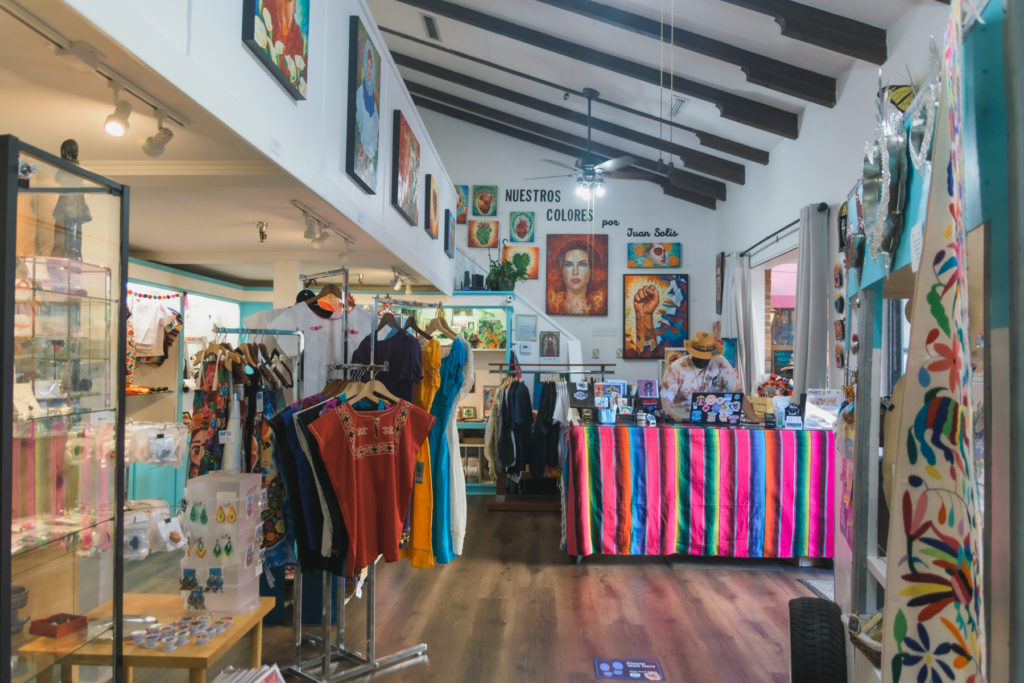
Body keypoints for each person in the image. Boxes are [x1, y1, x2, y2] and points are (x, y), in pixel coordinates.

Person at [659, 331, 746, 422]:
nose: (703, 361)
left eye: (706, 357)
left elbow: (738, 392)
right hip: (681, 422)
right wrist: (678, 420)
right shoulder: (676, 369)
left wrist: (753, 417)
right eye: (699, 357)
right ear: (692, 352)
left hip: (713, 421)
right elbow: (666, 405)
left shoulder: (720, 362)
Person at [547, 239, 606, 315]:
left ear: (591, 271)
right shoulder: (554, 308)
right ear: (561, 271)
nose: (575, 272)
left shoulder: (598, 309)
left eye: (582, 265)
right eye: (569, 265)